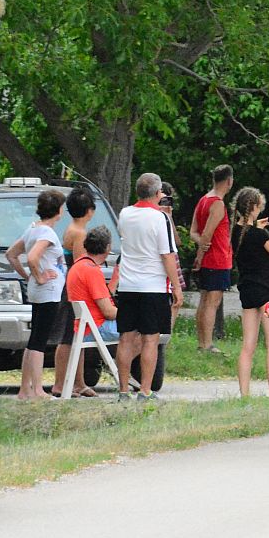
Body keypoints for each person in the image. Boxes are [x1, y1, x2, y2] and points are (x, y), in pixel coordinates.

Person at [117, 172, 182, 401]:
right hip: (153, 285)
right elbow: (167, 255)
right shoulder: (159, 218)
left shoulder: (125, 214)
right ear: (157, 193)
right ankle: (145, 390)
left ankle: (123, 390)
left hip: (127, 284)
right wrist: (176, 287)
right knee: (150, 339)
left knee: (126, 338)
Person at [5, 189, 68, 402]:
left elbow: (11, 254)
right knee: (40, 341)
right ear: (58, 211)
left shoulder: (32, 229)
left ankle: (25, 389)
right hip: (47, 291)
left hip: (38, 290)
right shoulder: (47, 234)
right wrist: (39, 276)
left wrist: (29, 277)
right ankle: (39, 390)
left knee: (34, 340)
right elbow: (32, 257)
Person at [231, 187, 269, 399]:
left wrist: (257, 228)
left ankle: (244, 394)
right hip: (266, 292)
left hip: (247, 291)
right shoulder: (260, 235)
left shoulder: (235, 233)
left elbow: (249, 239)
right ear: (253, 207)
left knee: (248, 346)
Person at [61, 225, 119, 397]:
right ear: (107, 247)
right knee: (143, 331)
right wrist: (131, 313)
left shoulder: (77, 266)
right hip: (96, 327)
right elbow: (108, 312)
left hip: (82, 327)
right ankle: (122, 371)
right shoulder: (92, 271)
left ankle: (115, 369)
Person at [49, 187, 97, 396]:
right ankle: (60, 384)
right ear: (90, 210)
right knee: (68, 337)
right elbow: (80, 264)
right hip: (73, 290)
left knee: (79, 337)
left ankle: (79, 382)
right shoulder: (80, 233)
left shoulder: (72, 228)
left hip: (68, 286)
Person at [191, 164, 234, 354]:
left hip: (208, 259)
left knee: (204, 299)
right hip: (217, 259)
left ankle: (202, 342)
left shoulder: (203, 200)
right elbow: (207, 234)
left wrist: (200, 247)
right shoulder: (217, 204)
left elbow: (194, 232)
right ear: (229, 181)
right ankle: (207, 344)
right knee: (212, 302)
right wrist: (201, 254)